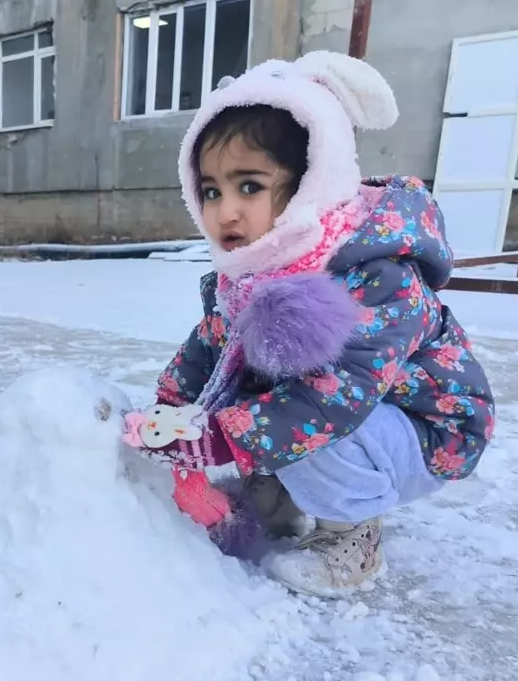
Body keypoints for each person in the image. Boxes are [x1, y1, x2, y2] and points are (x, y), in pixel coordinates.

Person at [121, 52, 496, 598]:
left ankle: (352, 537)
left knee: (305, 426)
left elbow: (334, 398)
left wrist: (225, 440)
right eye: (210, 190)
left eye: (249, 186)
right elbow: (210, 350)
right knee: (249, 391)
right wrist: (171, 412)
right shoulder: (254, 274)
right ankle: (286, 496)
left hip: (427, 430)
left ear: (311, 181)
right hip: (364, 422)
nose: (225, 212)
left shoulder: (377, 275)